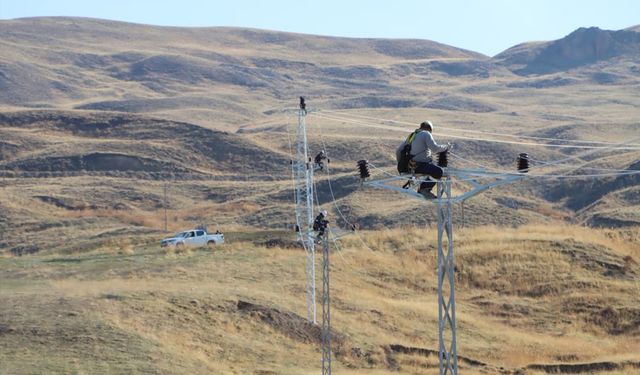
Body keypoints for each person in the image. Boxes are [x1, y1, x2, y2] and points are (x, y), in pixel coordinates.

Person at [395, 121, 450, 199]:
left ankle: (423, 187)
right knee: (439, 171)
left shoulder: (412, 135)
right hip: (420, 165)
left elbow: (398, 151)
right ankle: (424, 189)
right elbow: (435, 148)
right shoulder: (426, 134)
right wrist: (446, 147)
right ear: (430, 129)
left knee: (432, 169)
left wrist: (403, 164)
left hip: (410, 166)